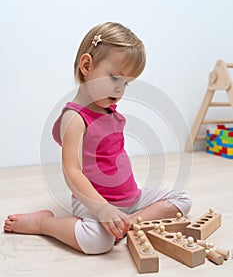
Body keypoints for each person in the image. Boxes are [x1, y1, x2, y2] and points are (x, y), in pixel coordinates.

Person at [4, 22, 192, 254]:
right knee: (97, 242)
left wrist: (121, 213)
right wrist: (102, 209)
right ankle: (44, 223)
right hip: (93, 202)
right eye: (114, 78)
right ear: (86, 65)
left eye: (126, 83)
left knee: (183, 198)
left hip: (131, 197)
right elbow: (72, 172)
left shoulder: (109, 109)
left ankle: (128, 222)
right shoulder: (74, 118)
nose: (120, 90)